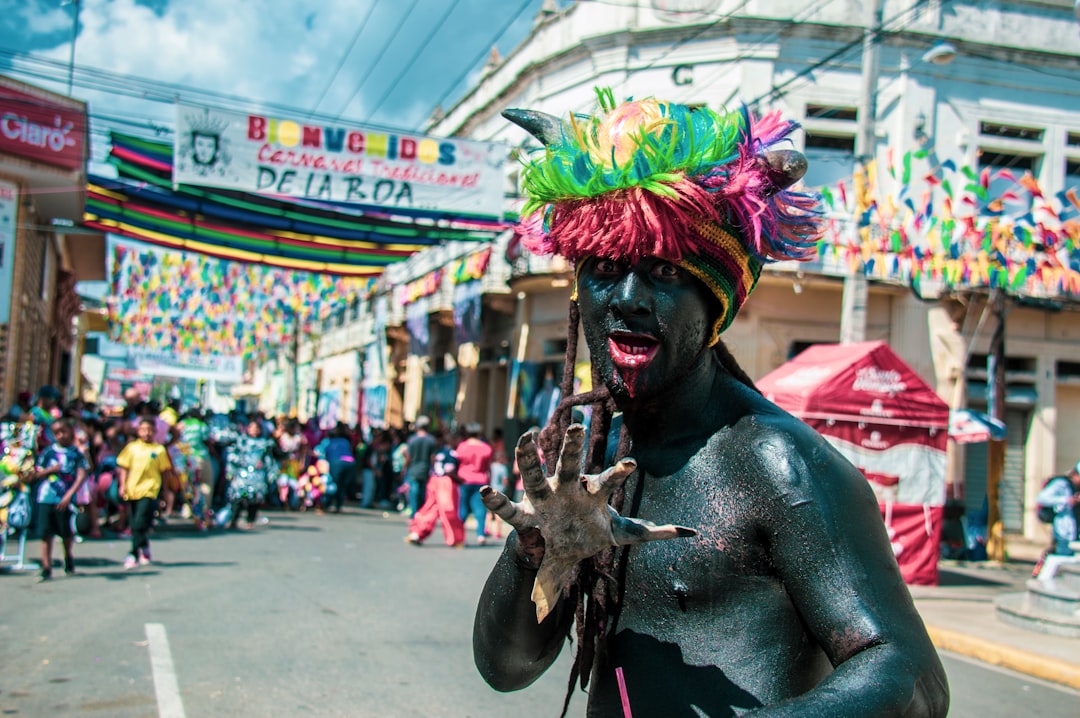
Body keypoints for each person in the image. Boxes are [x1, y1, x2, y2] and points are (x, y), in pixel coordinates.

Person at [473, 90, 949, 716]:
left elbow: (910, 679)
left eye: (666, 272)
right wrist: (534, 549)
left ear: (714, 301)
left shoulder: (778, 465)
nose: (629, 298)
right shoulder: (602, 460)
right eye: (605, 267)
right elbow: (506, 670)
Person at [32, 419, 89, 581]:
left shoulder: (75, 453)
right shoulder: (48, 453)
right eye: (56, 433)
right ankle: (46, 566)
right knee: (45, 533)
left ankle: (68, 558)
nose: (60, 436)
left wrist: (69, 495)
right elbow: (36, 473)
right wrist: (51, 470)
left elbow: (82, 474)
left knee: (65, 532)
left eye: (63, 432)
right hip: (46, 496)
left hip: (64, 497)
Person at [116, 417, 175, 570]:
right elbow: (124, 467)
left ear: (155, 432)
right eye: (143, 430)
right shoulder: (132, 448)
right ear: (138, 431)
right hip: (133, 488)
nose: (146, 433)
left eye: (149, 430)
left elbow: (165, 472)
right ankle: (144, 545)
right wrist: (122, 485)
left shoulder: (159, 450)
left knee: (139, 522)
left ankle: (133, 552)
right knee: (135, 520)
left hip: (150, 489)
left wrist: (164, 491)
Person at [405, 429, 465, 548]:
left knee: (430, 508)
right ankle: (455, 538)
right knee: (448, 510)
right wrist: (460, 480)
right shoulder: (451, 453)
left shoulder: (439, 451)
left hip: (434, 480)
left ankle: (417, 533)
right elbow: (449, 471)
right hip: (445, 483)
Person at [456, 422, 494, 546]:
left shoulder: (462, 446)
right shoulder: (486, 448)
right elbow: (488, 467)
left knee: (462, 508)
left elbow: (457, 462)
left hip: (464, 479)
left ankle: (460, 535)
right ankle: (480, 535)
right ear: (479, 433)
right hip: (480, 480)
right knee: (480, 509)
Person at [1035, 462, 1079, 558]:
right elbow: (1042, 498)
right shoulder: (1062, 484)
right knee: (1061, 559)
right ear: (1076, 474)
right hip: (1064, 533)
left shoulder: (1076, 488)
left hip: (1074, 533)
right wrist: (1066, 501)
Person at [401, 416, 437, 517]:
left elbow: (408, 456)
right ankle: (421, 511)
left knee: (414, 491)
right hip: (425, 468)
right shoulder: (431, 440)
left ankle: (414, 511)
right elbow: (432, 457)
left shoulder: (412, 439)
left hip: (414, 469)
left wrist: (404, 468)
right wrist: (433, 468)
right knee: (422, 491)